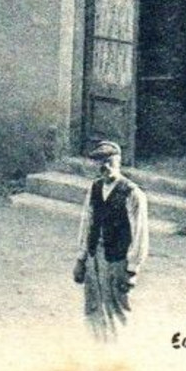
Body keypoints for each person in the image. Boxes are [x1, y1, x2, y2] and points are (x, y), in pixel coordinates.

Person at [74, 140, 149, 342]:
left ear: (118, 162)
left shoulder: (132, 193)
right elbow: (87, 221)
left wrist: (132, 270)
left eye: (109, 162)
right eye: (99, 163)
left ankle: (118, 355)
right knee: (92, 306)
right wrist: (81, 259)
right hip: (93, 257)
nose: (104, 167)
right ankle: (96, 351)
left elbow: (140, 234)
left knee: (117, 308)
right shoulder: (95, 188)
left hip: (117, 259)